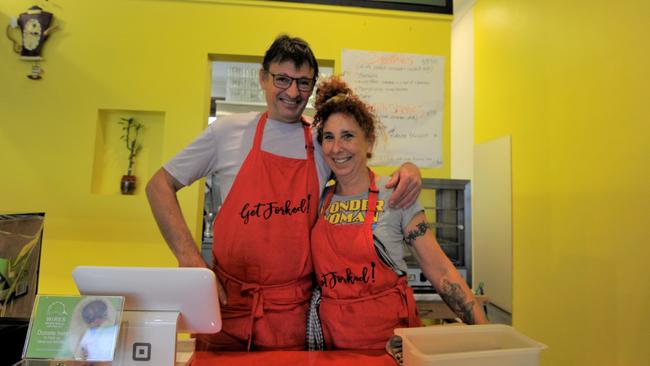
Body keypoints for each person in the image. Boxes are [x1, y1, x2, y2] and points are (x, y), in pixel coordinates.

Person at [145, 35, 422, 351]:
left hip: (292, 315)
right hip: (227, 307)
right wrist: (190, 258)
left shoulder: (320, 143)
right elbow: (159, 185)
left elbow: (361, 171)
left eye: (303, 83)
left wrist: (410, 168)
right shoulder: (225, 133)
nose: (292, 92)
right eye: (282, 79)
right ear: (263, 78)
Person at [309, 76, 488, 351]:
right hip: (335, 347)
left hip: (392, 349)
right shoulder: (319, 199)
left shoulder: (394, 192)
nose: (337, 148)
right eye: (329, 138)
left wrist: (487, 334)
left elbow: (440, 271)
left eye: (348, 136)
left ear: (368, 142)